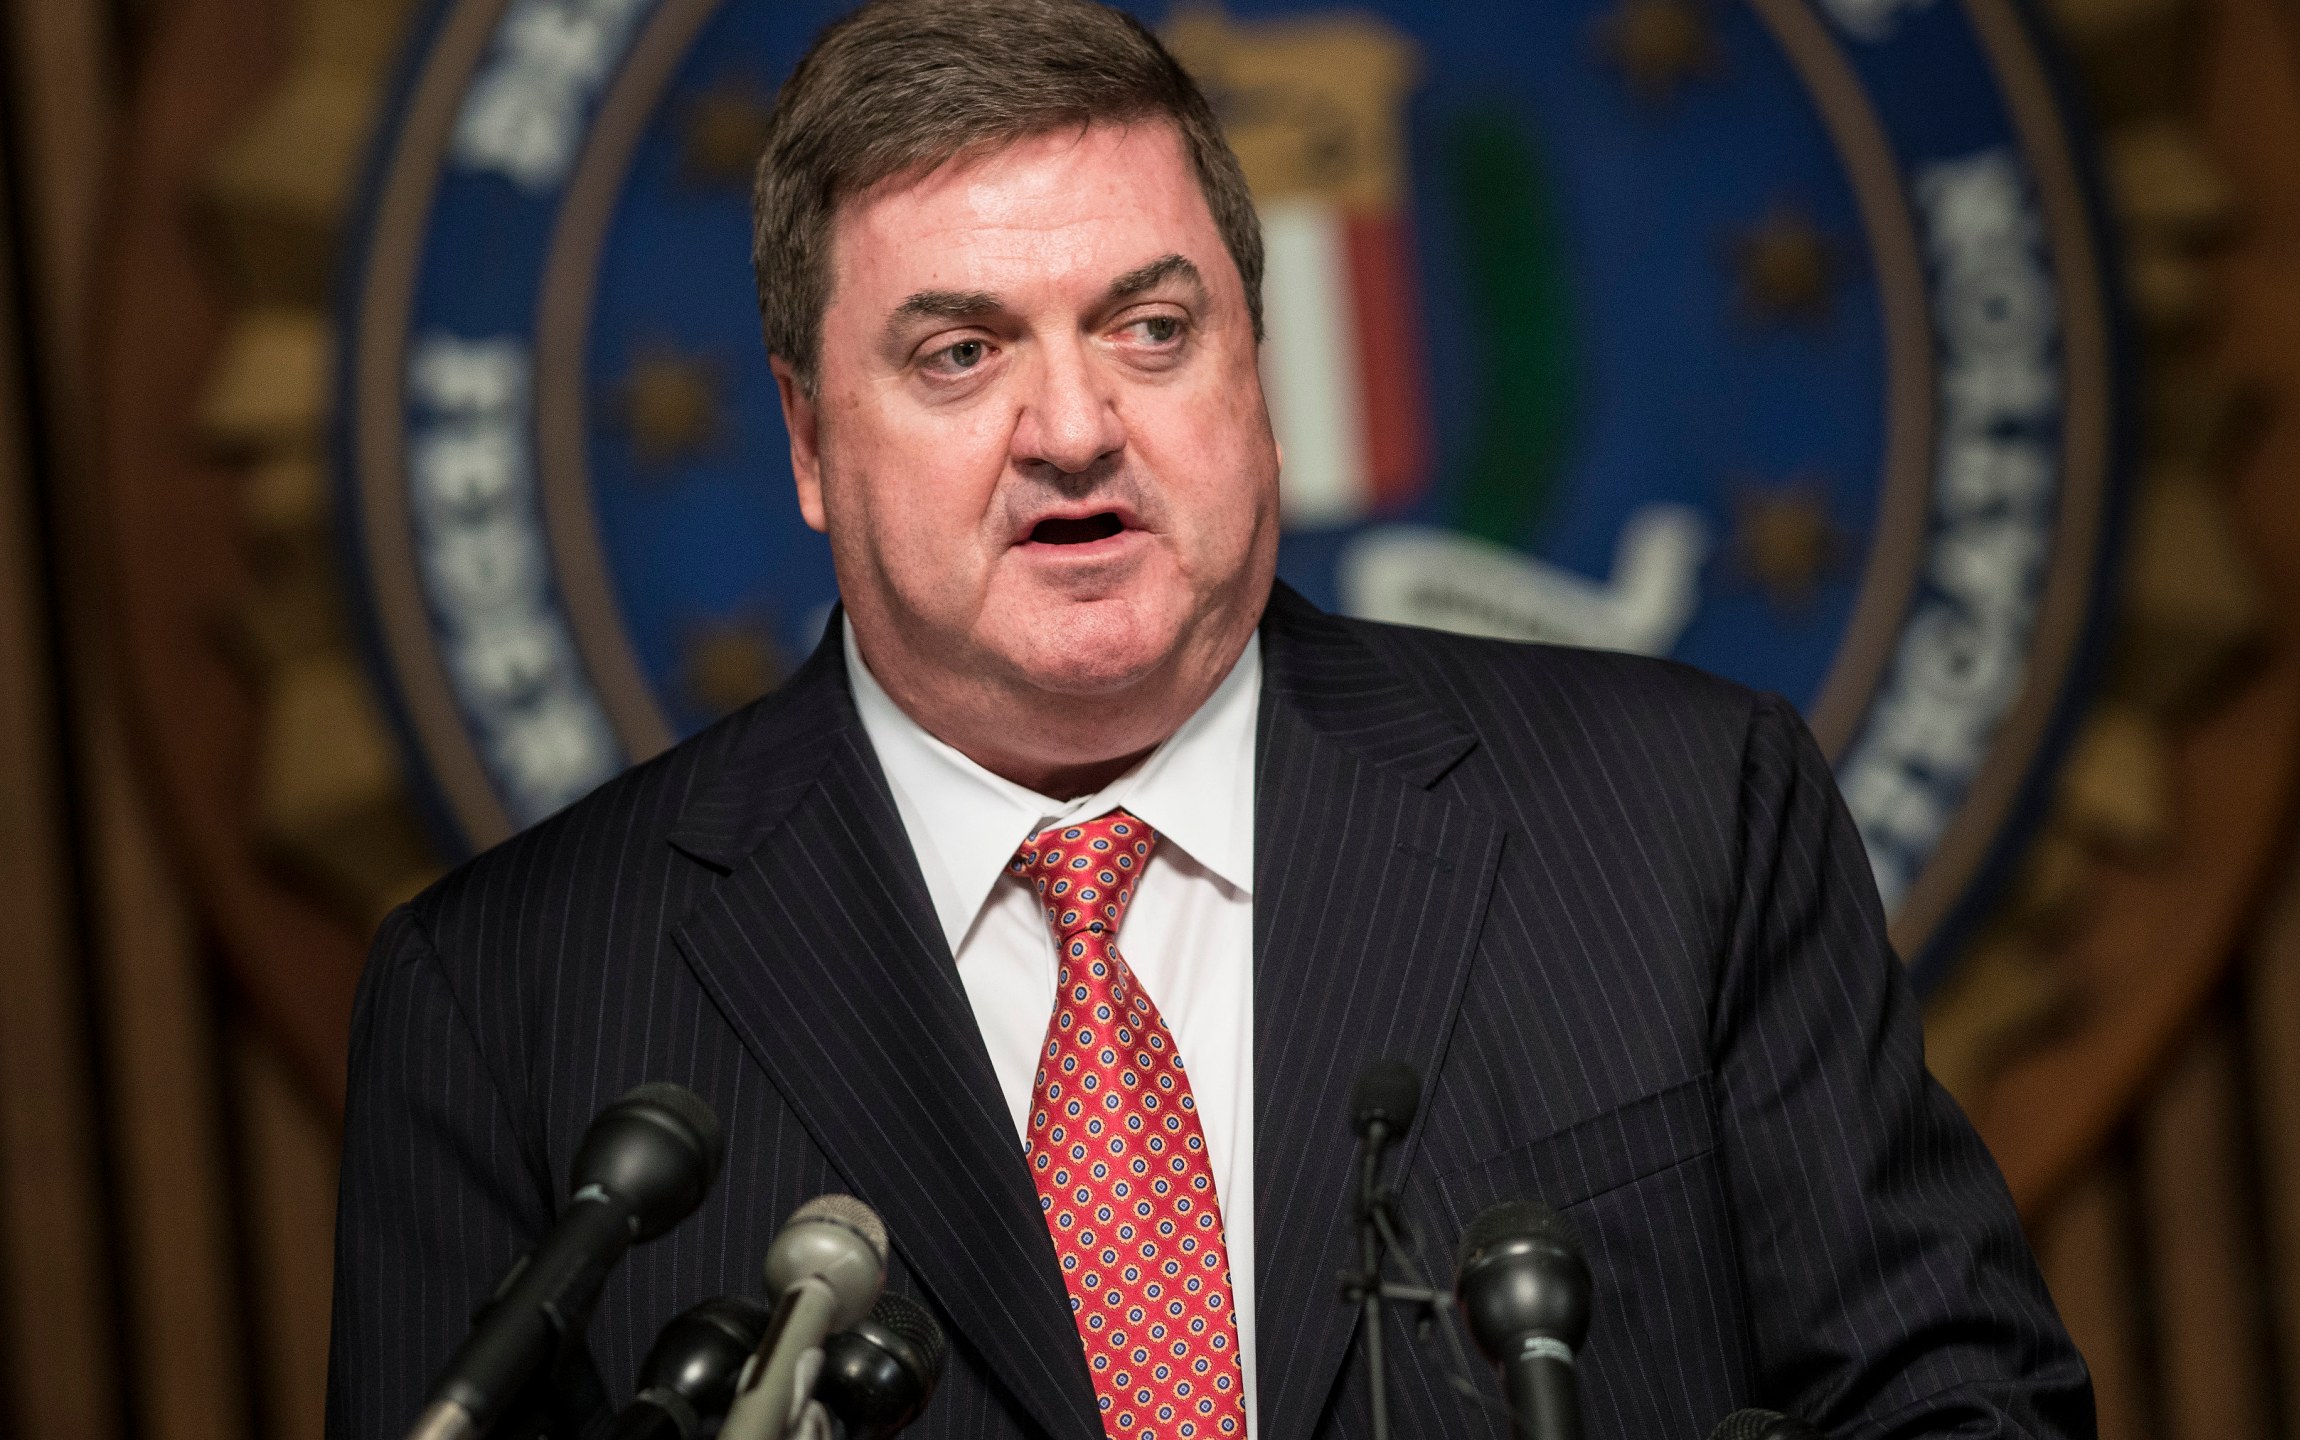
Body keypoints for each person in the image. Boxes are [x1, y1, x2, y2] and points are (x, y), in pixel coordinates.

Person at [326, 2, 2093, 1437]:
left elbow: (1960, 1407)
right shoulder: (506, 1005)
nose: (1076, 426)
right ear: (805, 440)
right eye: (961, 354)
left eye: (1151, 327)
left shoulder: (1684, 816)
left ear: (1257, 368)